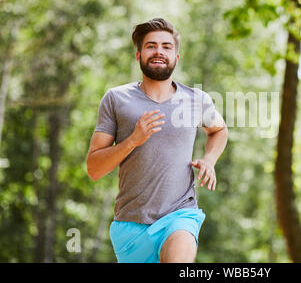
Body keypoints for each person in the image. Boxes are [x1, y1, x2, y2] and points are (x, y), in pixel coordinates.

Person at [86, 18, 228, 263]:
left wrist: (209, 159)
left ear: (176, 57)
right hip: (130, 225)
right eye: (151, 46)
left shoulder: (196, 99)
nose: (159, 51)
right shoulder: (116, 99)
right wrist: (132, 140)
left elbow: (219, 130)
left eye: (166, 46)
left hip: (180, 215)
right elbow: (94, 168)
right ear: (139, 55)